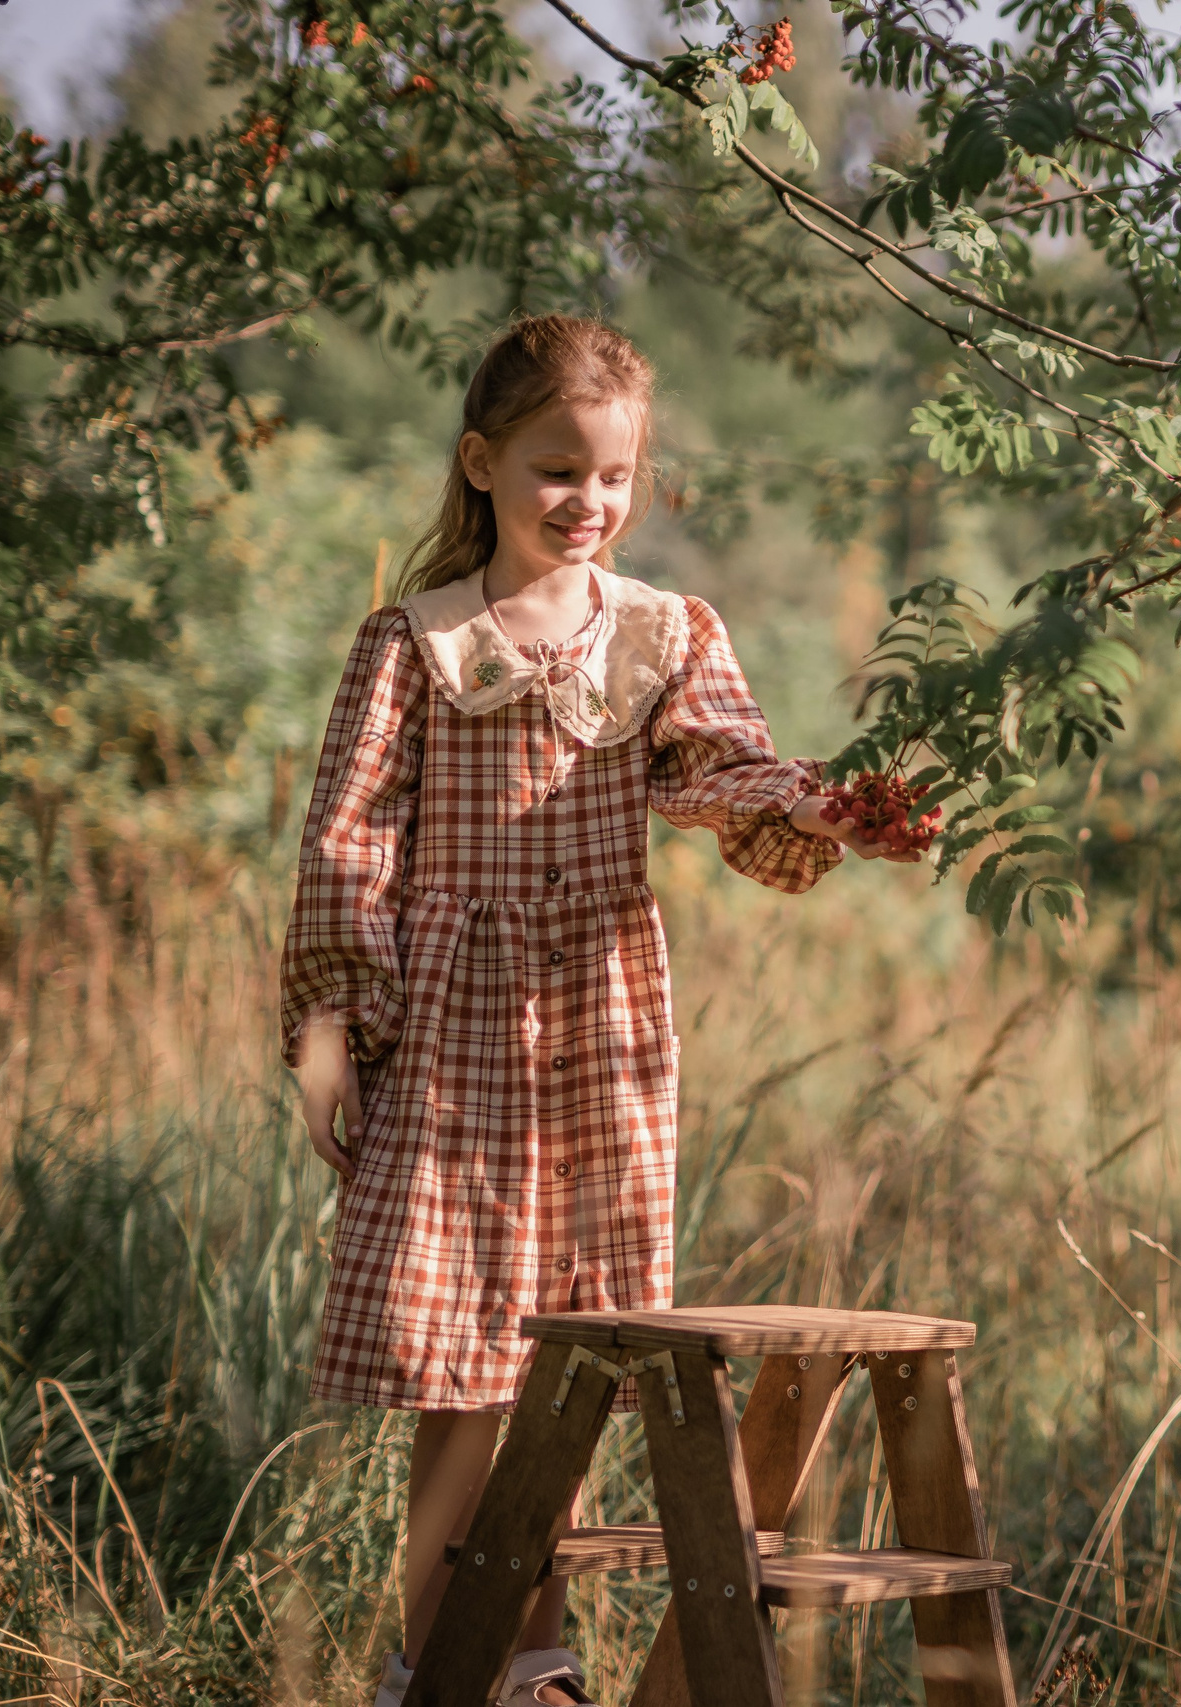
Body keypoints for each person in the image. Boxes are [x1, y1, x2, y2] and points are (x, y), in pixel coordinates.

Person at [282, 316, 919, 1707]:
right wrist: (334, 1037)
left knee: (570, 1354)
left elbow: (717, 772)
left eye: (614, 475)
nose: (587, 500)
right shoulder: (418, 642)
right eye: (555, 469)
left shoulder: (663, 632)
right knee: (464, 1359)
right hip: (449, 1026)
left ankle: (538, 1664)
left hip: (602, 1020)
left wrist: (825, 804)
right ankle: (445, 1663)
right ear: (482, 463)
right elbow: (346, 842)